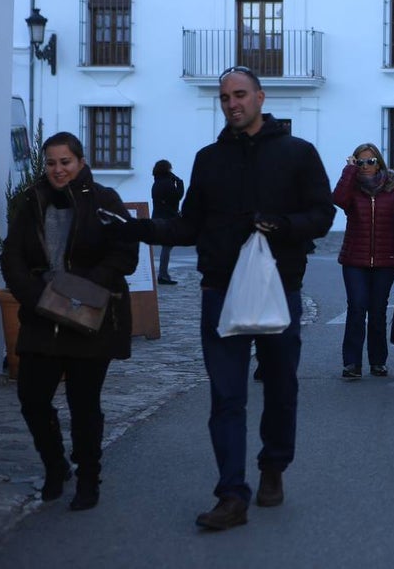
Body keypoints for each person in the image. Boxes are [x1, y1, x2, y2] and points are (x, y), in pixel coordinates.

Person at [107, 65, 333, 530]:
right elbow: (190, 224)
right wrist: (140, 228)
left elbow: (322, 214)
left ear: (260, 97)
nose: (232, 103)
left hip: (278, 290)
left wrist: (283, 225)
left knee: (280, 387)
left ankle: (274, 464)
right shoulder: (208, 159)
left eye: (240, 95)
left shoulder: (298, 154)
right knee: (226, 397)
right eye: (225, 97)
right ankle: (232, 493)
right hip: (220, 291)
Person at [0, 131, 139, 511]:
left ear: (80, 161)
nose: (58, 170)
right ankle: (55, 465)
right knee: (31, 397)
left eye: (65, 162)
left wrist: (81, 287)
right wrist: (35, 295)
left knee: (84, 403)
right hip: (43, 316)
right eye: (51, 163)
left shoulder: (104, 200)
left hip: (90, 318)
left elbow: (125, 254)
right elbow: (11, 255)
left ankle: (89, 478)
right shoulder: (31, 202)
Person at [333, 143, 394, 380]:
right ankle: (351, 363)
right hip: (354, 260)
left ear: (379, 162)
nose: (366, 166)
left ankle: (378, 361)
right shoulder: (351, 189)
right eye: (360, 162)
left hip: (386, 261)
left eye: (370, 161)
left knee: (378, 311)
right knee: (356, 308)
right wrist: (348, 172)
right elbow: (337, 199)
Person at [151, 159, 185, 285]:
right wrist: (179, 183)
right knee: (167, 246)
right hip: (167, 219)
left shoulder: (157, 182)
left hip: (158, 217)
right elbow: (177, 197)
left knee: (167, 246)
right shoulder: (166, 183)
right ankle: (163, 275)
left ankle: (163, 274)